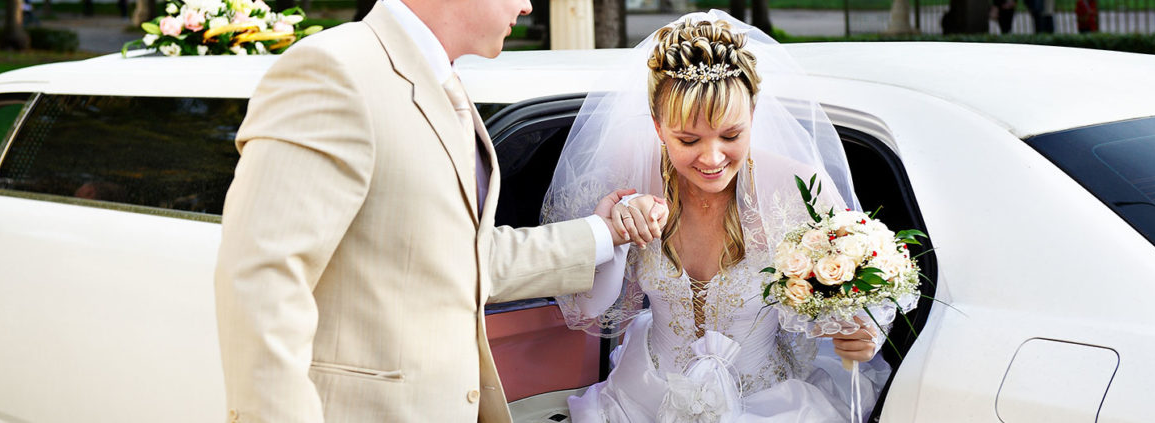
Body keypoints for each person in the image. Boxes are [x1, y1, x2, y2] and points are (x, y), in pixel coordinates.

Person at [213, 0, 654, 422]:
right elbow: (262, 283)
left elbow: (463, 254)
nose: (527, 6)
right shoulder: (335, 70)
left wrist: (602, 233)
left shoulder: (440, 82)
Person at [543, 11, 894, 422]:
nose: (712, 158)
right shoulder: (629, 175)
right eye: (688, 139)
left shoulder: (797, 185)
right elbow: (587, 309)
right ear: (658, 127)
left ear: (753, 114)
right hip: (643, 401)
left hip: (770, 405)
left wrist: (863, 335)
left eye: (731, 135)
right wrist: (613, 238)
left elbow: (861, 293)